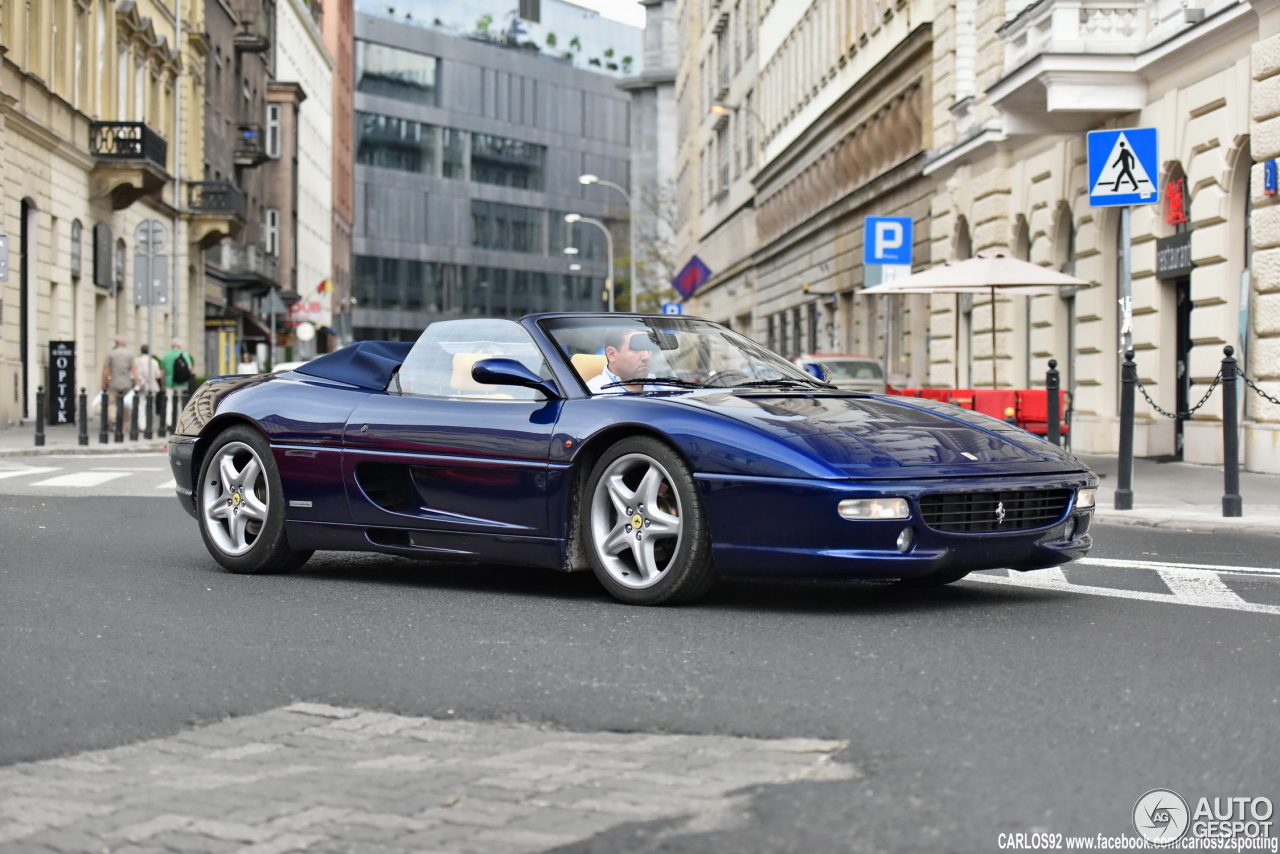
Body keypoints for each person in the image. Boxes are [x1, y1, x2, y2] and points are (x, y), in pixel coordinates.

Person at [586, 328, 654, 395]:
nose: (646, 356)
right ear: (611, 354)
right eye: (636, 349)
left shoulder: (661, 386)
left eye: (648, 349)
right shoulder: (594, 394)